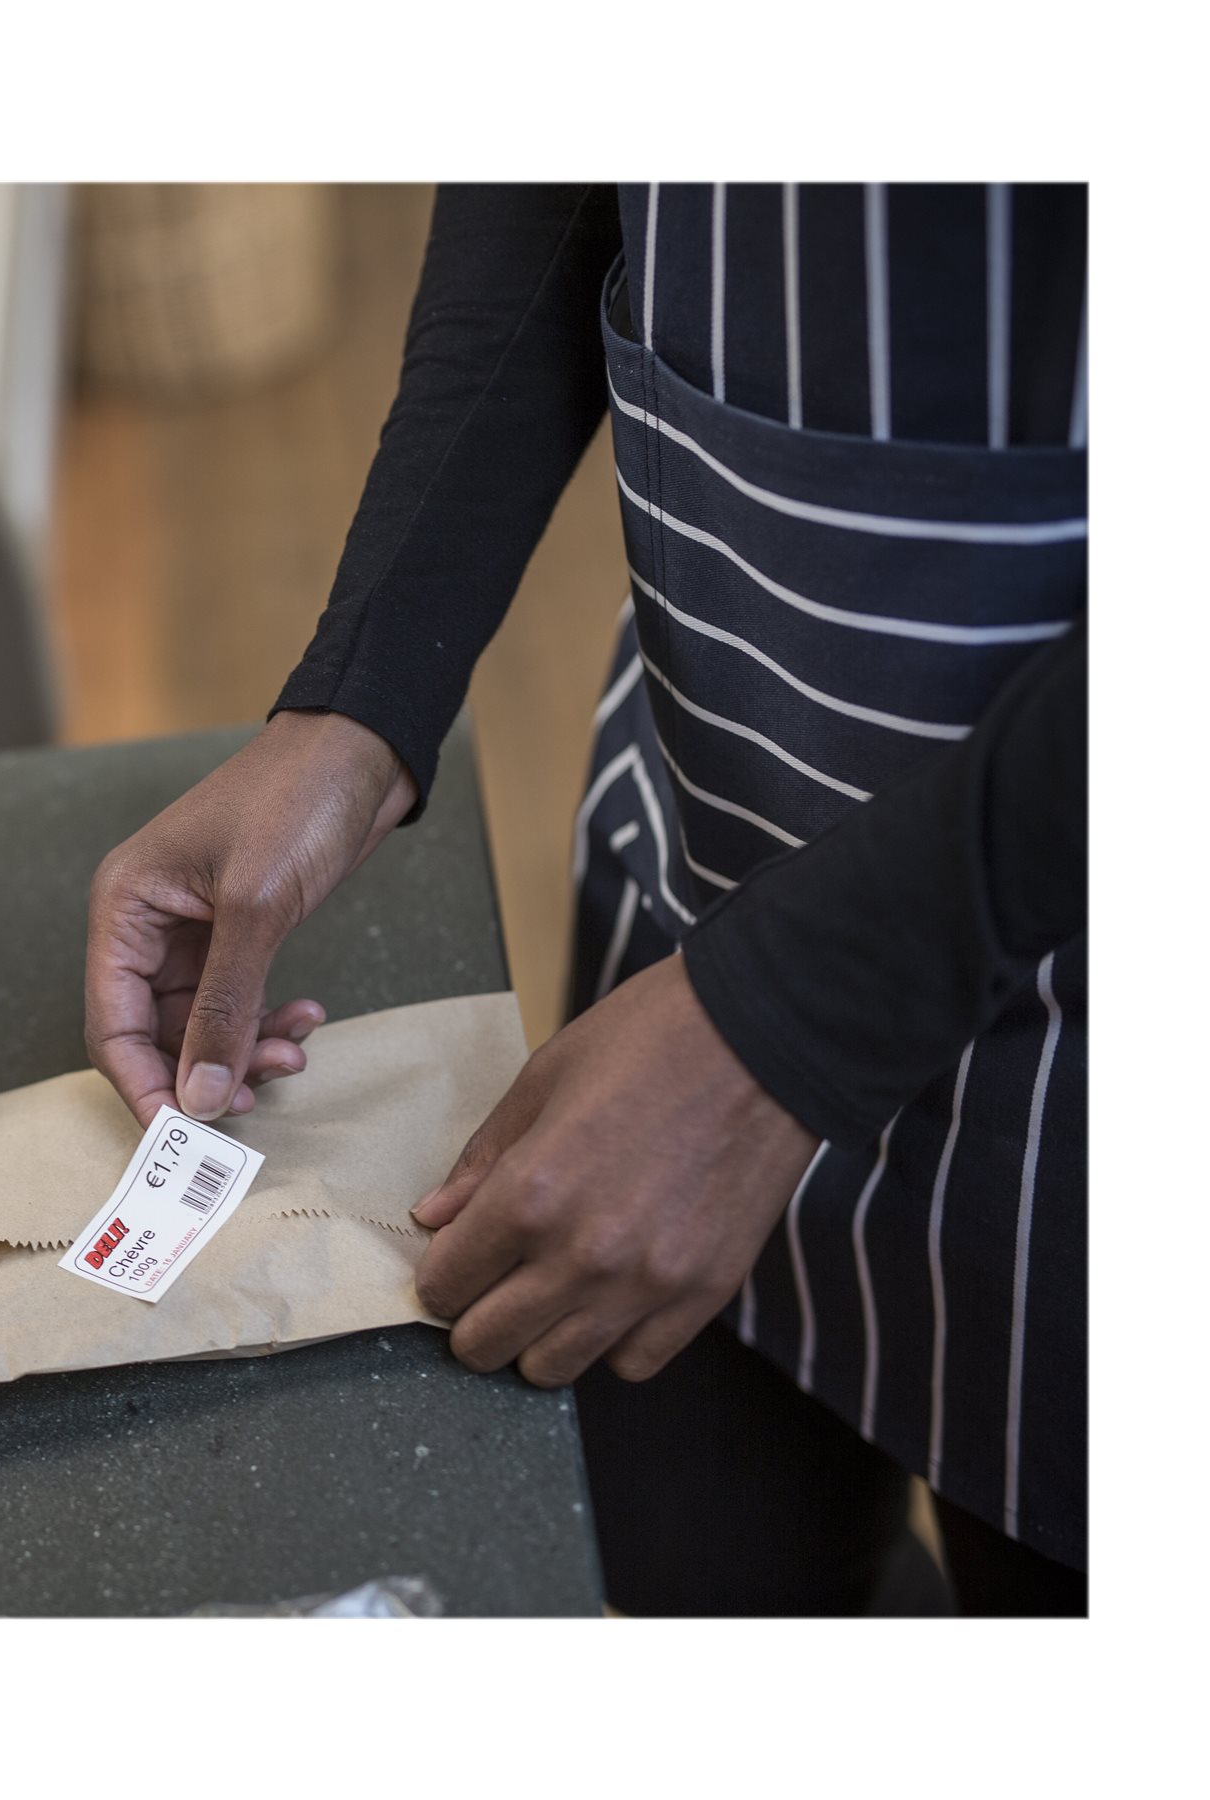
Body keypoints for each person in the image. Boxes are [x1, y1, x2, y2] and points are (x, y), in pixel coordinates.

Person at [82, 184, 1086, 1616]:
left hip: (1081, 1067)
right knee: (693, 1591)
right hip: (704, 844)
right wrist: (362, 697)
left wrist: (791, 1020)